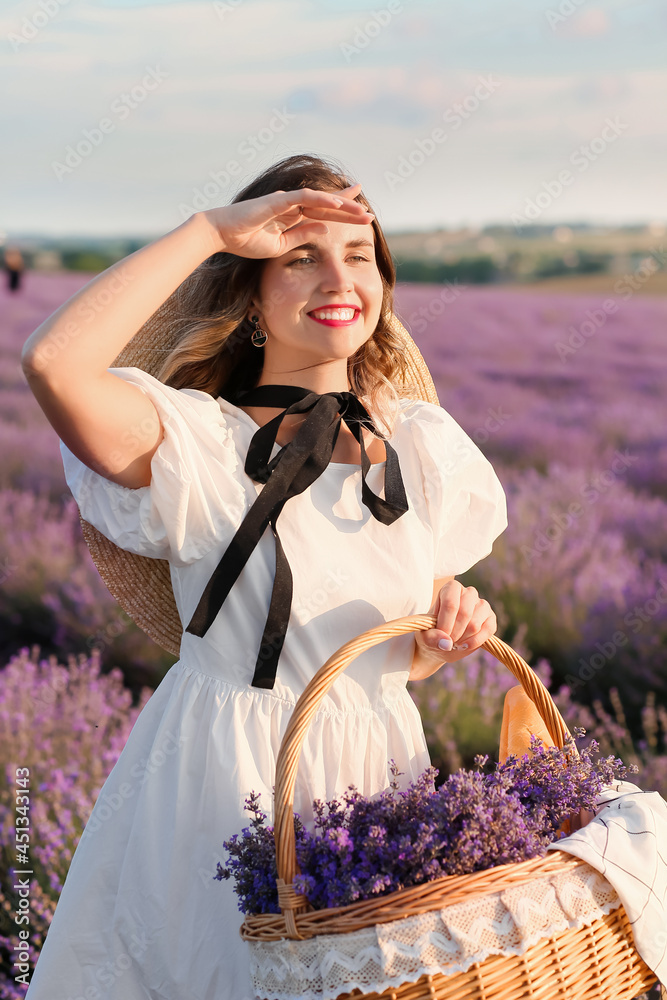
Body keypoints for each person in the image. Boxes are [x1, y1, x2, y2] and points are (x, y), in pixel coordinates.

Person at [21, 153, 507, 1000]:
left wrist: (444, 635)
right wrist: (209, 230)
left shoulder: (420, 448)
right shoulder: (197, 445)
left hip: (378, 785)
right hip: (222, 782)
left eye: (358, 255)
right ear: (249, 295)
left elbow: (385, 659)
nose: (337, 275)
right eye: (299, 255)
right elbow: (55, 364)